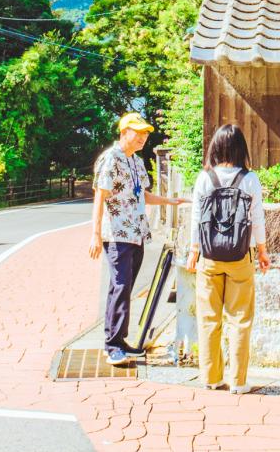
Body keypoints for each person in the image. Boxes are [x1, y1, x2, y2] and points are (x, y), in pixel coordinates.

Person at [89, 111, 185, 367]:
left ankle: (120, 341)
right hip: (117, 233)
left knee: (125, 287)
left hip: (136, 233)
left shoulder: (136, 161)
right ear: (124, 132)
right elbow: (100, 195)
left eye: (145, 133)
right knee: (120, 285)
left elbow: (142, 194)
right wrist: (95, 234)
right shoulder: (110, 158)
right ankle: (112, 346)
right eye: (138, 132)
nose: (143, 137)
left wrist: (169, 201)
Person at [183, 124, 270, 393]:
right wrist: (262, 251)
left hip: (209, 257)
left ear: (215, 147)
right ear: (241, 148)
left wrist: (193, 251)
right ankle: (239, 381)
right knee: (240, 319)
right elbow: (257, 219)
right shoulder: (249, 179)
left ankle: (211, 378)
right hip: (239, 257)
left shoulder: (204, 178)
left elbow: (196, 219)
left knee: (209, 318)